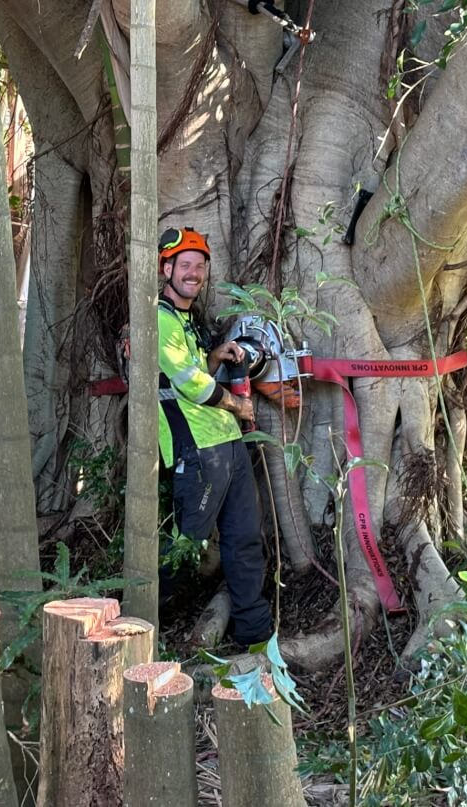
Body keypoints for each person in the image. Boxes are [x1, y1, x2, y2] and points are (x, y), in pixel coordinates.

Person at [156, 226, 273, 648]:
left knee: (245, 538)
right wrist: (239, 406)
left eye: (199, 266)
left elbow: (194, 368)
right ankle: (137, 622)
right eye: (184, 265)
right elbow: (193, 386)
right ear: (166, 268)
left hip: (228, 447)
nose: (194, 274)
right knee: (186, 550)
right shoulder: (159, 319)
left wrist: (214, 355)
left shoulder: (187, 322)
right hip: (198, 453)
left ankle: (254, 634)